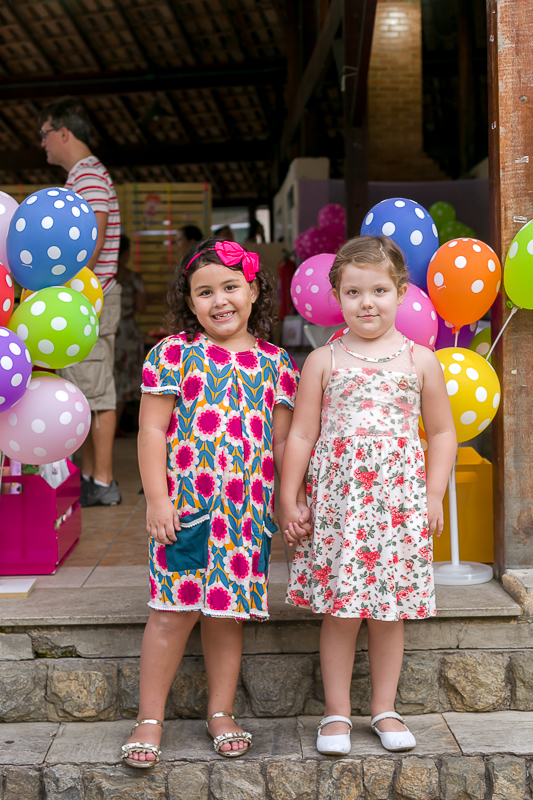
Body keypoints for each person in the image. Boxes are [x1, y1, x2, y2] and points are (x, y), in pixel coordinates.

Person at [121, 237, 311, 767]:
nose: (219, 300)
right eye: (204, 292)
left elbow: (282, 442)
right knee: (170, 613)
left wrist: (288, 502)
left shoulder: (277, 363)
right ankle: (149, 718)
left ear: (253, 291)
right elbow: (151, 432)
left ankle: (221, 712)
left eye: (230, 287)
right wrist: (157, 499)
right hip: (185, 512)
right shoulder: (173, 354)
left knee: (226, 615)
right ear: (189, 301)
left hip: (246, 517)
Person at [280, 236, 456, 756]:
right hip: (341, 507)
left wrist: (434, 494)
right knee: (341, 610)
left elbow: (441, 432)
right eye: (353, 292)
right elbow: (301, 434)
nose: (367, 303)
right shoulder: (323, 359)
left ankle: (384, 708)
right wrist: (289, 497)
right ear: (337, 296)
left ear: (401, 292)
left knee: (388, 611)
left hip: (397, 507)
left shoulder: (421, 360)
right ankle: (336, 712)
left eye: (379, 290)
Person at [39, 97, 122, 507]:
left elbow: (91, 240)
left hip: (91, 298)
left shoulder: (88, 177)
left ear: (64, 133)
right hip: (84, 298)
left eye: (44, 134)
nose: (42, 143)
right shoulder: (84, 176)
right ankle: (91, 476)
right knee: (84, 389)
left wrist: (60, 285)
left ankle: (102, 480)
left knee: (95, 389)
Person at [114, 235, 147, 433]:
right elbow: (141, 307)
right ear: (125, 254)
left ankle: (109, 426)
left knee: (110, 379)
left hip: (107, 332)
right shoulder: (134, 279)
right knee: (125, 380)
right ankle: (115, 425)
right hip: (128, 334)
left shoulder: (103, 280)